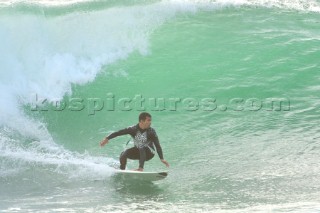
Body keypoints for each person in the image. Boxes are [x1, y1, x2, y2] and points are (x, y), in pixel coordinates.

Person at [100, 112, 170, 171]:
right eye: (148, 120)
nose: (150, 122)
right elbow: (119, 132)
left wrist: (162, 158)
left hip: (149, 153)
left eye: (150, 120)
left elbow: (157, 145)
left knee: (141, 146)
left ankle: (140, 168)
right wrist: (107, 138)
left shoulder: (151, 131)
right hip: (138, 152)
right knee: (123, 154)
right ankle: (122, 171)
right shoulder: (133, 129)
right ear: (142, 121)